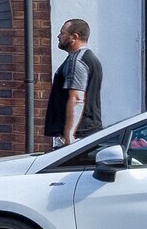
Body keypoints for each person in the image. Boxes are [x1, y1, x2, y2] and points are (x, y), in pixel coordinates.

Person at [44, 18, 104, 147]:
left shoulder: (77, 61)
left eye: (62, 33)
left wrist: (69, 137)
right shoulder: (89, 58)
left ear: (74, 37)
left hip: (78, 136)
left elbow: (77, 99)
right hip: (85, 133)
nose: (58, 36)